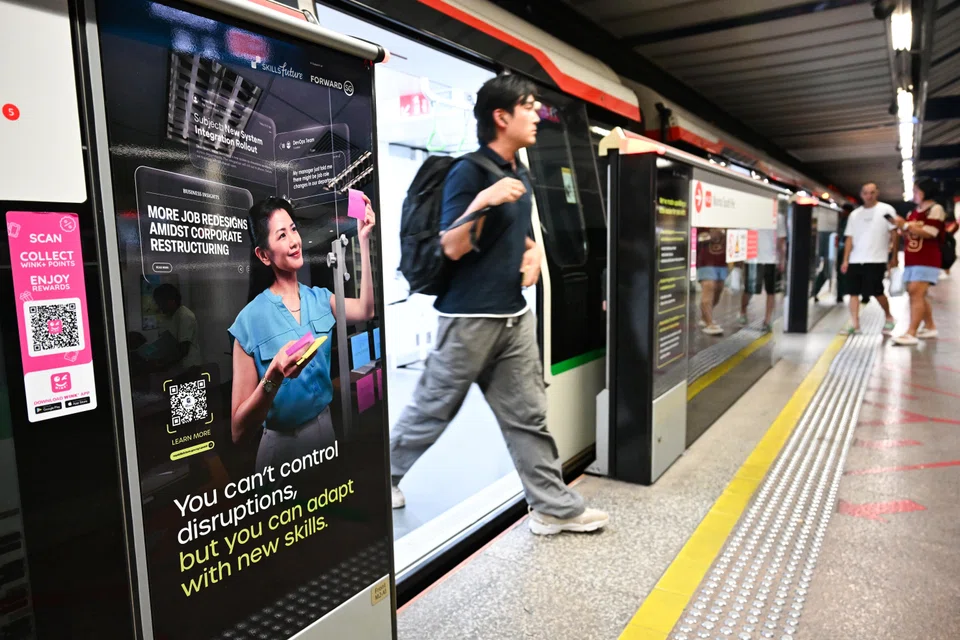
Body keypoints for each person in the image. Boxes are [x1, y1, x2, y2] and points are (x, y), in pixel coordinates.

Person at [389, 74, 608, 536]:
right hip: (468, 318)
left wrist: (533, 253)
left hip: (513, 316)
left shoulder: (519, 173)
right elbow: (452, 245)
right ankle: (382, 477)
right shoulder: (469, 173)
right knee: (433, 409)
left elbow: (518, 235)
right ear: (501, 117)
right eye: (528, 106)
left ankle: (552, 508)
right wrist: (484, 201)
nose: (536, 115)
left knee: (528, 416)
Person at [228, 196, 376, 472]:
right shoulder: (249, 321)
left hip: (325, 431)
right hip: (281, 449)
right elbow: (238, 432)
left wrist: (364, 240)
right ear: (263, 255)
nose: (294, 241)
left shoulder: (320, 299)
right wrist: (273, 377)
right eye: (282, 235)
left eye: (293, 229)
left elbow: (366, 310)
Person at [891, 179, 945, 346]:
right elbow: (910, 234)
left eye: (916, 191)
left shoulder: (935, 209)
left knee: (915, 292)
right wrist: (902, 228)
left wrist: (906, 226)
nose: (914, 194)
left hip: (927, 258)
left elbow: (931, 232)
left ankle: (911, 333)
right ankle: (930, 326)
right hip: (912, 258)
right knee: (918, 294)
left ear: (925, 192)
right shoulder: (913, 212)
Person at [840, 183, 897, 335]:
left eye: (872, 192)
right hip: (855, 259)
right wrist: (846, 259)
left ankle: (889, 316)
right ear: (861, 194)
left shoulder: (886, 210)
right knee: (853, 292)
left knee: (876, 291)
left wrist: (894, 256)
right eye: (865, 193)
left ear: (877, 193)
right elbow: (849, 238)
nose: (869, 196)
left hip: (876, 259)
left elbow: (894, 233)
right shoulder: (855, 215)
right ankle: (855, 323)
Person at [740, 213, 787, 331]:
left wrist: (781, 260)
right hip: (753, 259)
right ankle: (743, 311)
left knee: (771, 291)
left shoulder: (778, 217)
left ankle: (767, 319)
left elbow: (781, 240)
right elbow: (743, 236)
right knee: (749, 289)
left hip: (771, 260)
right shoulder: (751, 213)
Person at [152, 284, 203, 375]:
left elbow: (183, 349)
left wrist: (163, 364)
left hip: (189, 368)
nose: (159, 306)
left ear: (171, 301)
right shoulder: (170, 316)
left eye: (160, 303)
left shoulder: (185, 316)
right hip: (177, 367)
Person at [696, 228, 727, 335]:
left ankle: (704, 317)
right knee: (709, 289)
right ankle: (709, 324)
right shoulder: (703, 226)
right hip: (705, 262)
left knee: (718, 292)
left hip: (722, 262)